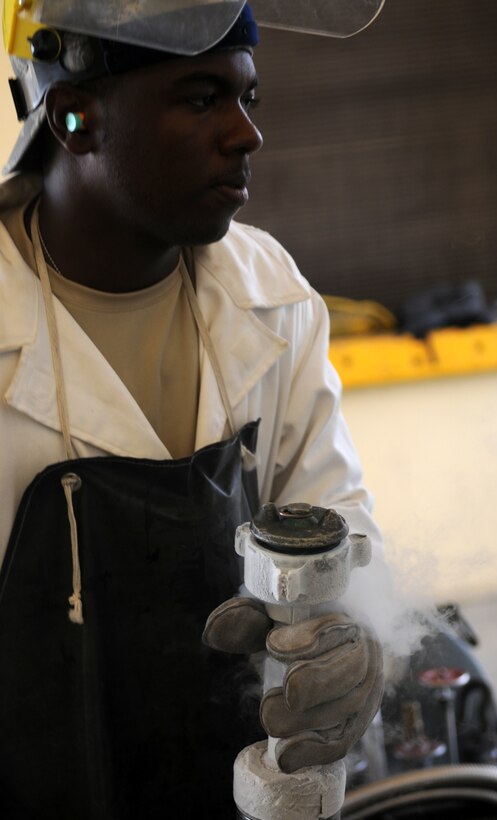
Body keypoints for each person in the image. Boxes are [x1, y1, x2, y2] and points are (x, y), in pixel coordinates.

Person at [0, 2, 385, 816]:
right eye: (204, 98)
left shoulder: (271, 297)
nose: (247, 134)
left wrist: (347, 640)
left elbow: (337, 527)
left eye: (249, 98)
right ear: (73, 117)